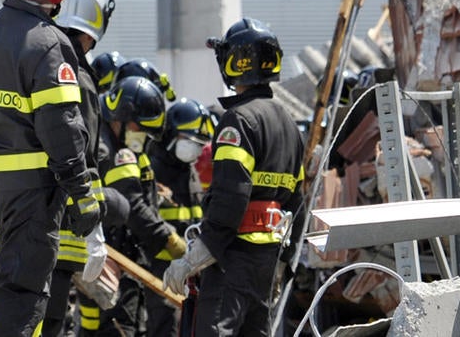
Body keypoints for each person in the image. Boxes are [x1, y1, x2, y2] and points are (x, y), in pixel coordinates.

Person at [0, 0, 103, 336]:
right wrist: (83, 195)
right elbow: (61, 128)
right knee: (24, 299)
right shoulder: (49, 44)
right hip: (32, 198)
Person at [163, 18, 306, 337]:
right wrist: (285, 262)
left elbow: (231, 199)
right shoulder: (289, 125)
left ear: (235, 62)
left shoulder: (238, 121)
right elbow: (298, 201)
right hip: (268, 261)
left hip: (232, 256)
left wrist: (192, 260)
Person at [81, 75, 186, 336]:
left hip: (114, 255)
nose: (144, 138)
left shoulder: (111, 140)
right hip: (117, 255)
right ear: (123, 117)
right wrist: (168, 239)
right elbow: (132, 204)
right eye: (141, 129)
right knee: (119, 328)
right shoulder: (114, 152)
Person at [145, 98, 214, 336]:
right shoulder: (152, 169)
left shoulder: (190, 171)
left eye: (201, 143)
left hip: (189, 269)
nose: (196, 149)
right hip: (158, 269)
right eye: (192, 141)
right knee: (165, 328)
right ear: (173, 133)